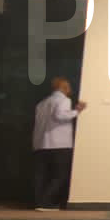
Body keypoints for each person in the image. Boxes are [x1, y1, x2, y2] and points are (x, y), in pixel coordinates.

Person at [32, 77, 86, 210]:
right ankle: (46, 202)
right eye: (68, 87)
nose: (70, 90)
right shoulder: (64, 100)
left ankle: (38, 202)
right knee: (60, 175)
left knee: (41, 175)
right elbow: (60, 115)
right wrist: (77, 111)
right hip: (59, 144)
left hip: (40, 144)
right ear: (64, 88)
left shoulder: (42, 103)